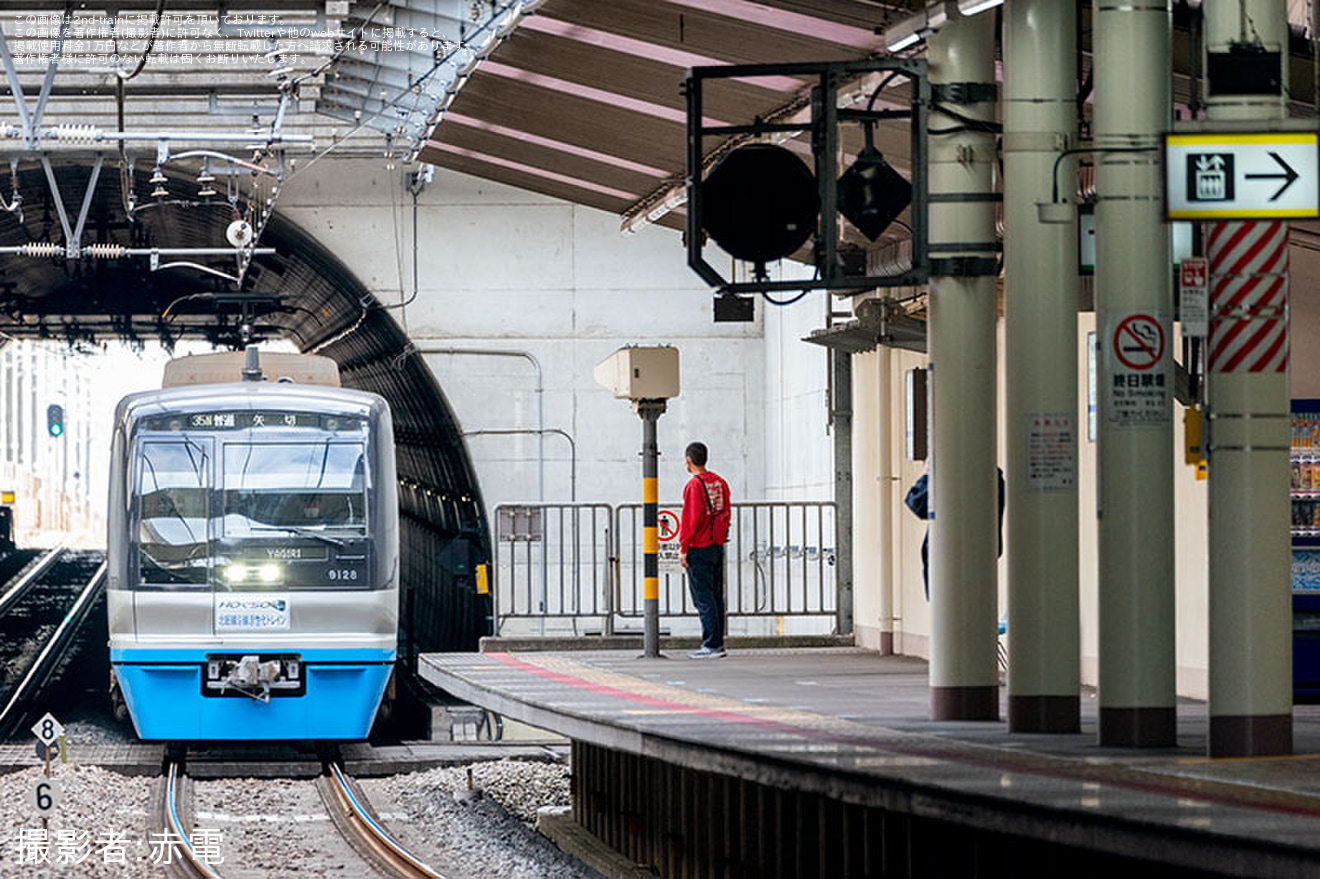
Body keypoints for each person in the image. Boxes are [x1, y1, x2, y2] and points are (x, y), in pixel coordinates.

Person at [904, 463, 1005, 601]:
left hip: (947, 562)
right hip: (981, 559)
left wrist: (928, 474)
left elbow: (918, 503)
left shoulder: (950, 475)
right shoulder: (993, 477)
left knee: (948, 615)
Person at [678, 441, 731, 659]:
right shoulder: (720, 482)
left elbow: (690, 519)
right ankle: (718, 641)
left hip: (698, 546)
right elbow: (726, 511)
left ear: (689, 461)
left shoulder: (693, 486)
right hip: (717, 544)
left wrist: (683, 547)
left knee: (703, 597)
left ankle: (711, 644)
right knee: (716, 595)